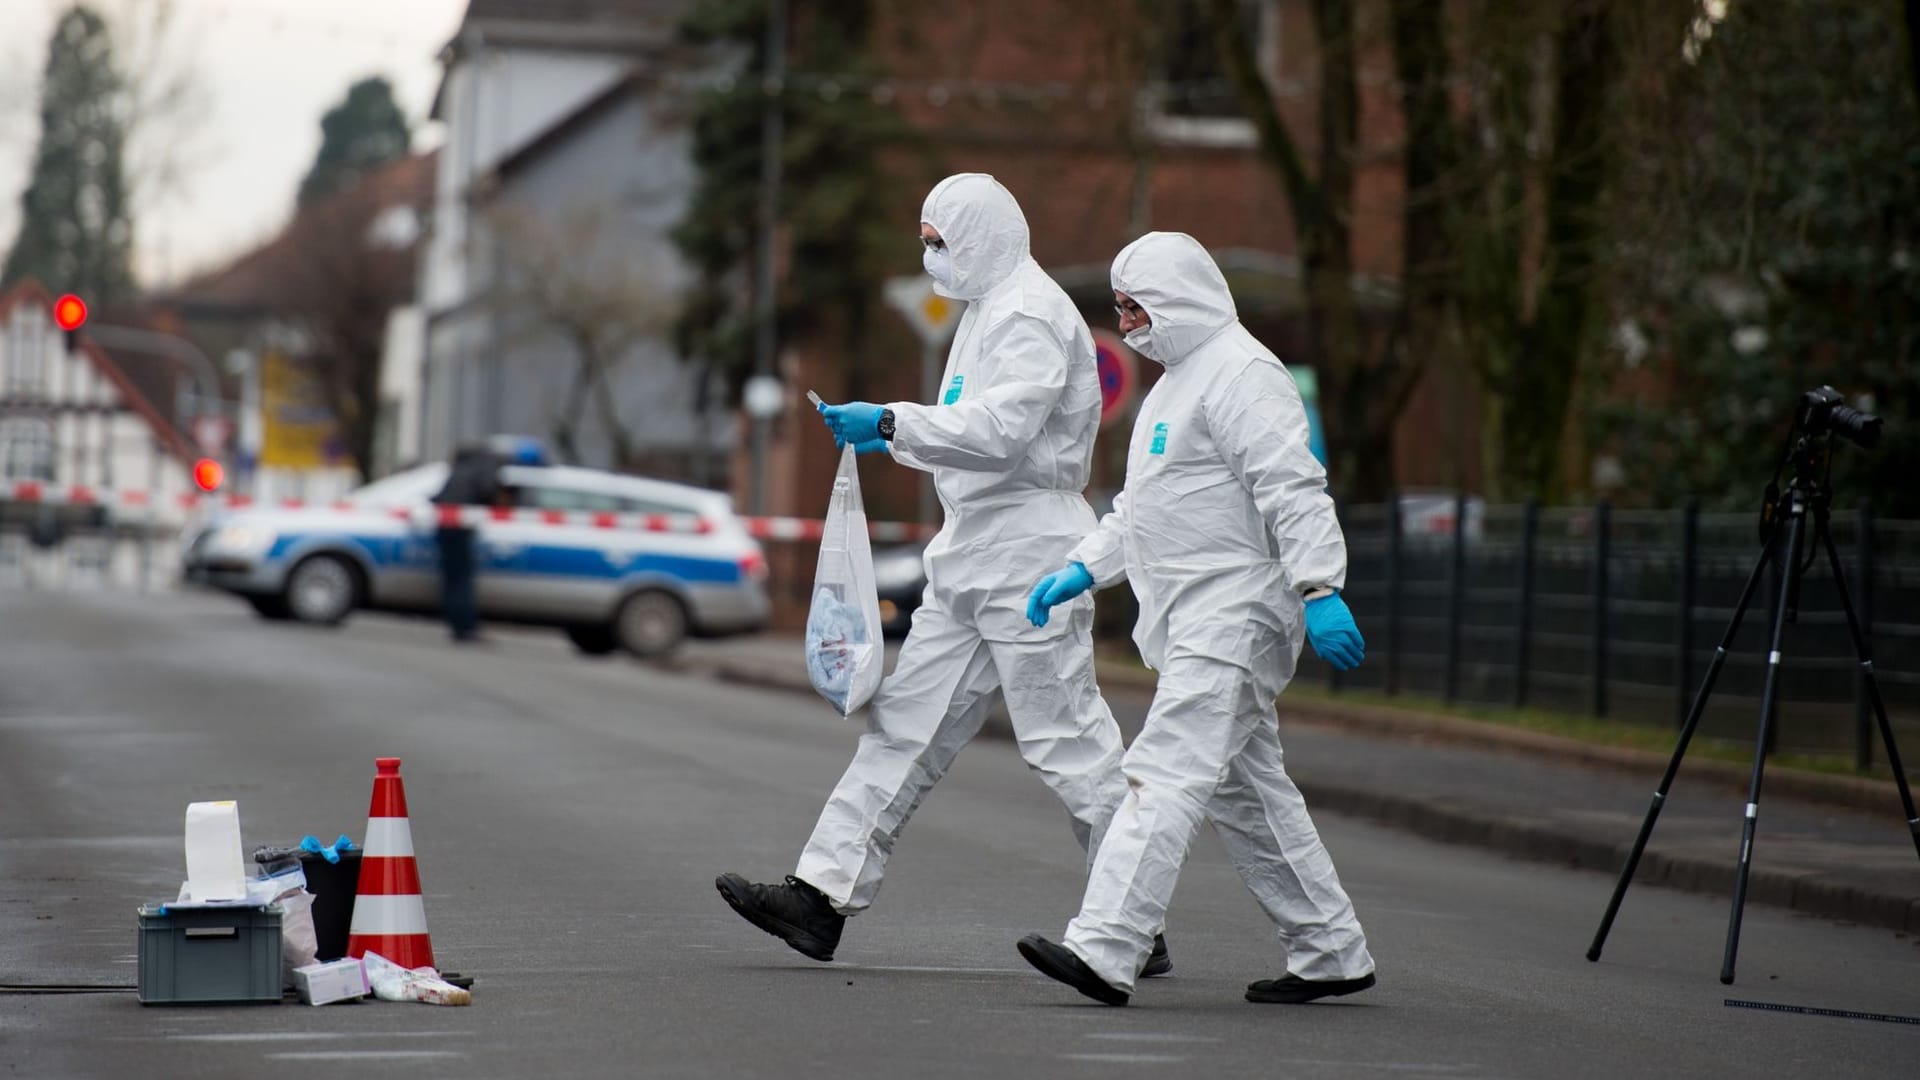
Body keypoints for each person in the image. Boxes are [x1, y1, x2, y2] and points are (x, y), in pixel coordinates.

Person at [715, 173, 1171, 976]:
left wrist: (888, 421)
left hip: (1029, 555)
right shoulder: (987, 309)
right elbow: (966, 431)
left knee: (1066, 743)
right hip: (972, 557)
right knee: (904, 727)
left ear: (983, 237)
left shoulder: (1029, 314)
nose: (929, 256)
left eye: (939, 241)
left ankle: (1129, 915)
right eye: (924, 241)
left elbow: (999, 431)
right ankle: (819, 897)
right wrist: (890, 433)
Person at [1017, 231, 1375, 1007]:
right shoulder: (1177, 383)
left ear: (1177, 297)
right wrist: (1084, 567)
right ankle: (1330, 948)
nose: (1127, 321)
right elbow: (1146, 511)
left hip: (1237, 612)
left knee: (1165, 771)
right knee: (1249, 793)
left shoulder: (1245, 375)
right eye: (1119, 308)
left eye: (1135, 305)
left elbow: (1293, 487)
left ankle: (1107, 946)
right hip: (1194, 617)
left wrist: (1320, 587)